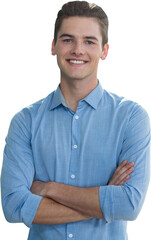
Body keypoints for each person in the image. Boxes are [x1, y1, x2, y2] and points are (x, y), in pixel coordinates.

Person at [1, 1, 150, 239]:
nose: (78, 50)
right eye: (68, 39)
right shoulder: (25, 122)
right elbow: (13, 205)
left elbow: (128, 205)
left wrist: (49, 189)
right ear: (53, 46)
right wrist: (103, 201)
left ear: (104, 50)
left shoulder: (131, 118)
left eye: (89, 41)